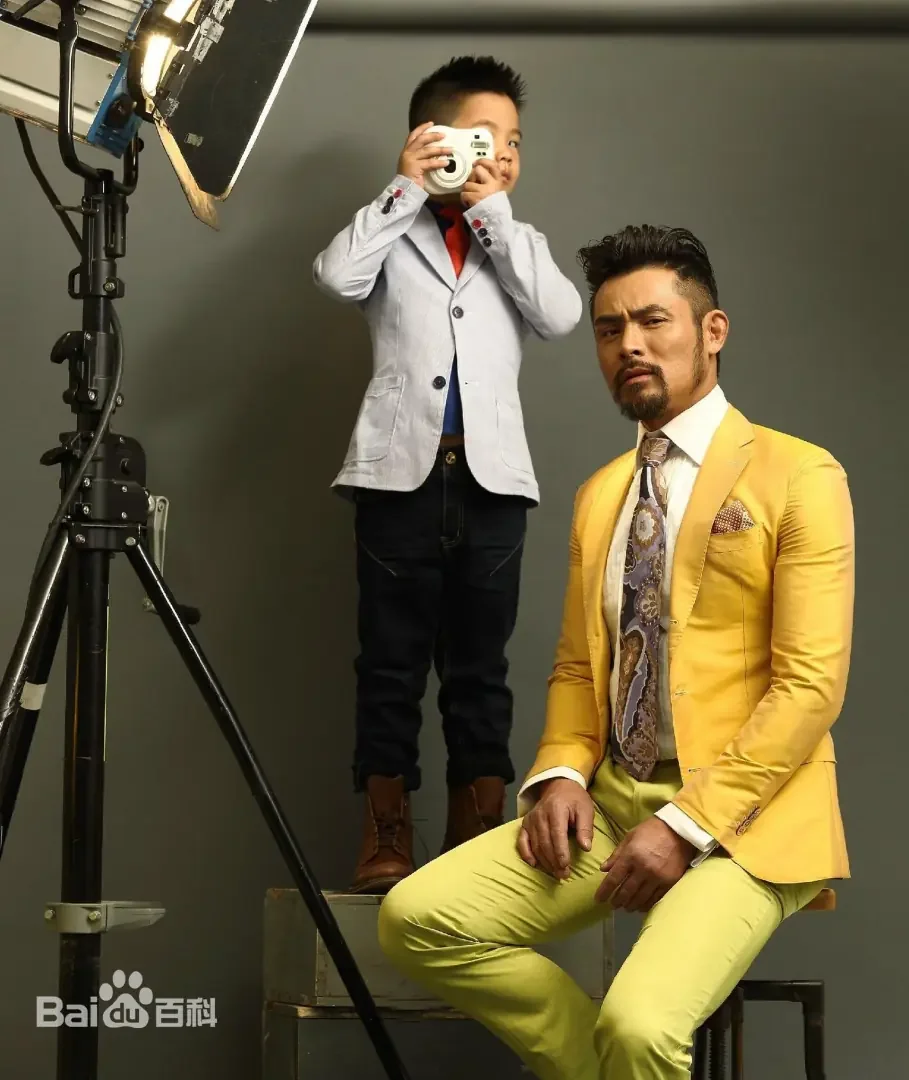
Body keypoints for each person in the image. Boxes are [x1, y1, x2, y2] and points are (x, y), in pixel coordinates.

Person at [377, 224, 855, 1079]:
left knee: (639, 1026)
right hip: (612, 802)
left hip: (746, 818)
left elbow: (809, 688)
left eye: (652, 321)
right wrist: (561, 773)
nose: (628, 344)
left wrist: (684, 825)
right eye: (608, 329)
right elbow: (577, 667)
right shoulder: (600, 494)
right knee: (416, 920)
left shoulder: (799, 474)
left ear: (711, 331)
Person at [313, 56, 583, 894]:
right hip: (397, 477)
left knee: (479, 668)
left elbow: (561, 315)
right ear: (431, 138)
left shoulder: (517, 241)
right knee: (389, 664)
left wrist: (491, 212)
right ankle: (386, 829)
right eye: (483, 137)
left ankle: (477, 831)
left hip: (493, 485)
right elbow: (335, 276)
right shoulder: (390, 229)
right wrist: (404, 188)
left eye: (514, 142)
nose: (502, 154)